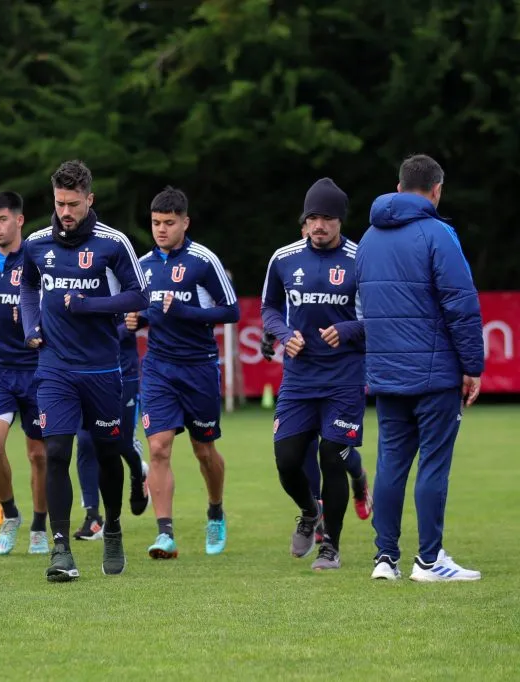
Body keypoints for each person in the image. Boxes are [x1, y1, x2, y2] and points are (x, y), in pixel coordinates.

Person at [356, 155, 484, 582]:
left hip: (387, 374)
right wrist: (472, 365)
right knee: (433, 464)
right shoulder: (439, 234)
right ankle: (429, 561)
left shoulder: (369, 238)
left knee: (391, 462)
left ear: (397, 187)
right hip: (435, 375)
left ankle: (384, 559)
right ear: (437, 190)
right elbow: (461, 307)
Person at [20, 160, 148, 581]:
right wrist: (30, 324)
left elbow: (138, 296)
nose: (66, 212)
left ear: (89, 199)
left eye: (74, 204)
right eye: (60, 204)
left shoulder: (113, 243)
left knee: (107, 452)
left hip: (102, 368)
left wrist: (89, 304)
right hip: (54, 367)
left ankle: (111, 528)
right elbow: (28, 286)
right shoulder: (37, 243)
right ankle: (61, 549)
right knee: (56, 451)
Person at [126, 187, 238, 559]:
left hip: (199, 367)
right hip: (158, 367)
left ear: (184, 222)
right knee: (158, 448)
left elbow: (231, 311)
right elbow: (146, 314)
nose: (161, 230)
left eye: (169, 223)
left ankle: (216, 510)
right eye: (156, 223)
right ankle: (165, 534)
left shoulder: (203, 261)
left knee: (204, 450)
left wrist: (185, 312)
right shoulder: (142, 266)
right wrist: (136, 319)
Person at [261, 178, 366, 571]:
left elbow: (380, 316)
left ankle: (331, 548)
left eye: (327, 218)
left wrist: (349, 329)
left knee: (331, 457)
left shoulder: (362, 259)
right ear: (304, 220)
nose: (319, 225)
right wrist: (284, 334)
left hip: (344, 378)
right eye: (313, 218)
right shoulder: (284, 258)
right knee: (286, 460)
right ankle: (309, 512)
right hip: (299, 379)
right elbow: (269, 308)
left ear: (340, 220)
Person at [0, 191, 48, 556]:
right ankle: (11, 512)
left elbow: (53, 303)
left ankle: (39, 526)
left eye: (2, 220)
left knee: (38, 455)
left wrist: (36, 317)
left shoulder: (37, 258)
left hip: (37, 370)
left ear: (19, 220)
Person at [74, 317, 149, 542]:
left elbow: (147, 307)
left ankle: (138, 473)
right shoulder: (77, 282)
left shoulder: (128, 283)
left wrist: (137, 320)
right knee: (86, 441)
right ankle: (93, 516)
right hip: (86, 372)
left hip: (124, 374)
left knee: (120, 443)